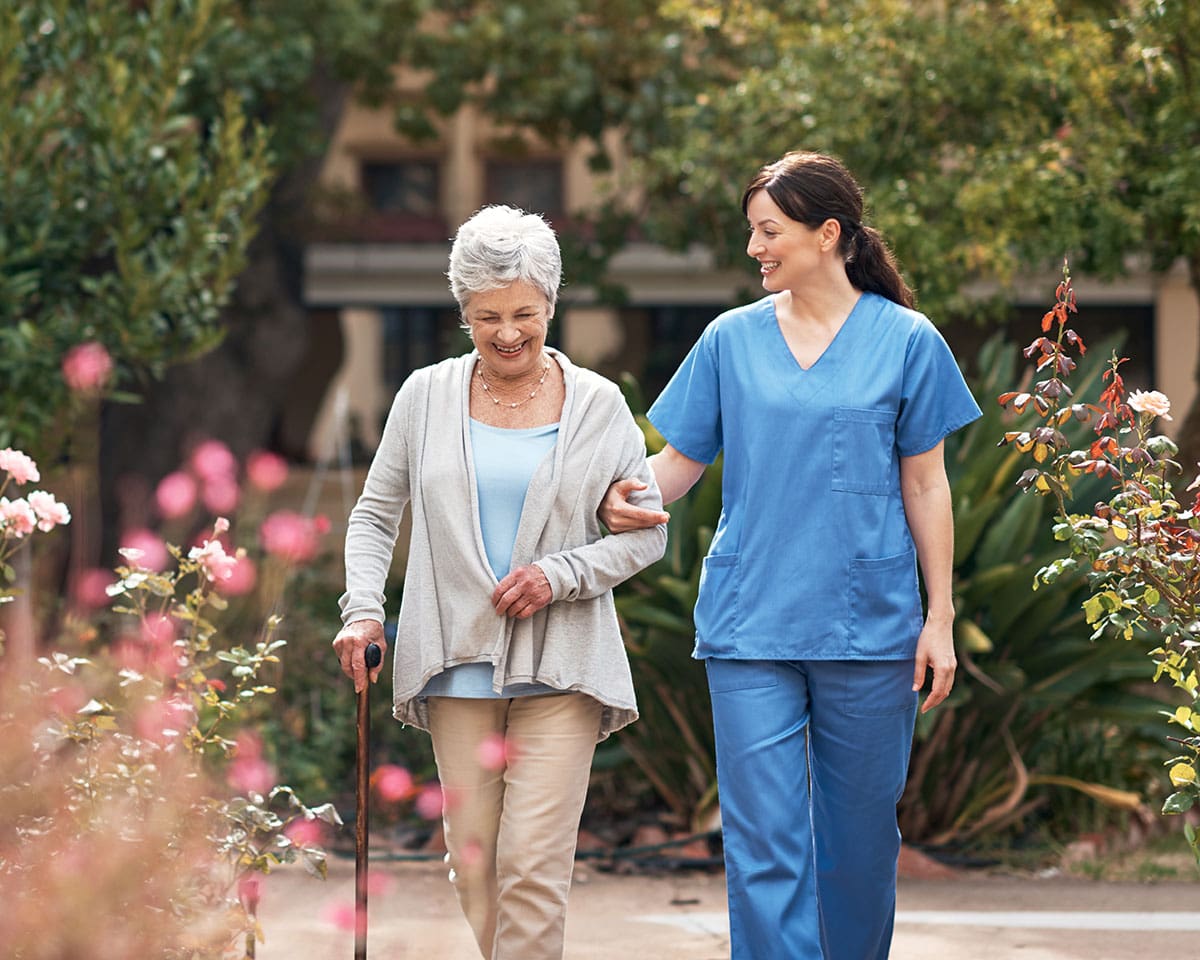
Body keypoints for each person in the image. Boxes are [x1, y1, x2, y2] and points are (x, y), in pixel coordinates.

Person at [599, 151, 981, 959]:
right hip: (751, 624)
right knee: (764, 847)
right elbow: (674, 466)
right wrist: (608, 501)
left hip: (870, 627)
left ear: (828, 234)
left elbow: (927, 488)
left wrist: (939, 618)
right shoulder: (728, 341)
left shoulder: (907, 341)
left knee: (860, 848)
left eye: (769, 231)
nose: (754, 250)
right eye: (752, 233)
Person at [333, 205, 667, 960]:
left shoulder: (598, 405)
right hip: (456, 665)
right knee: (476, 863)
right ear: (463, 314)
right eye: (487, 317)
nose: (508, 332)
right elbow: (373, 516)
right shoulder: (424, 397)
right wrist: (363, 613)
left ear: (551, 304)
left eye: (523, 313)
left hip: (564, 665)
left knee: (533, 866)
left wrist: (561, 575)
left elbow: (648, 538)